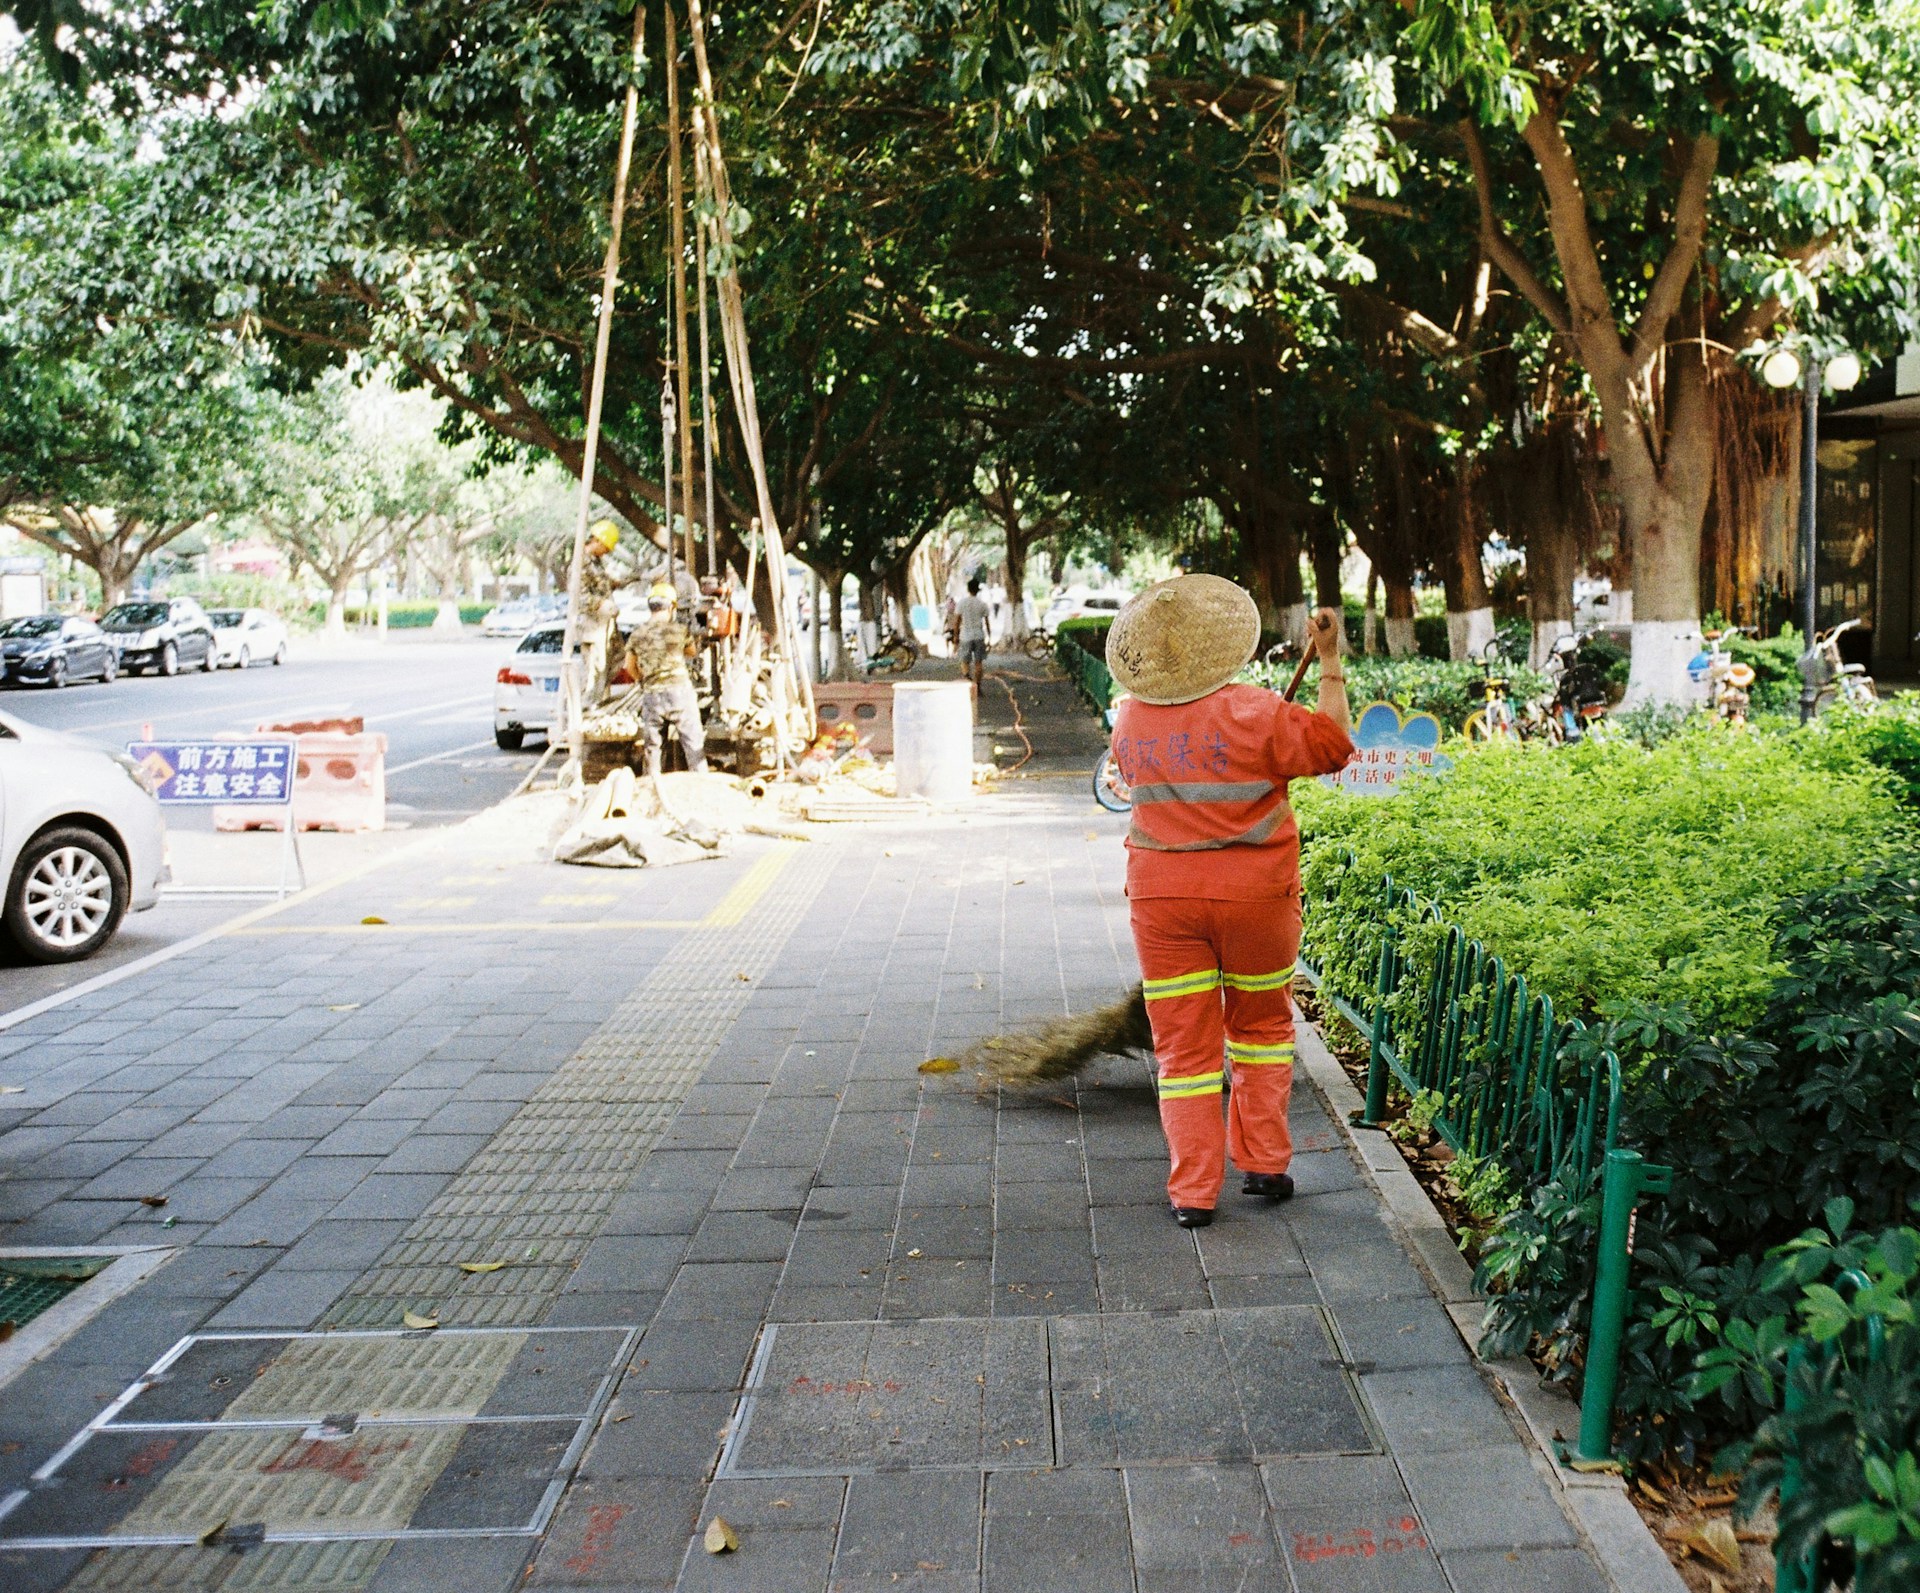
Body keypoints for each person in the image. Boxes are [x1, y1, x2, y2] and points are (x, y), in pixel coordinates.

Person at [1105, 577, 1353, 1228]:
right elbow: (1333, 748)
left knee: (1183, 1052)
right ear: (1223, 645)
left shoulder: (1129, 715)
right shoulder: (1263, 710)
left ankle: (1192, 1193)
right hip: (1257, 899)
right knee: (1263, 1027)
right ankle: (1265, 1164)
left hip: (1163, 899)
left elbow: (1133, 778)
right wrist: (1329, 661)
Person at [626, 581, 708, 774]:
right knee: (693, 744)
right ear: (671, 607)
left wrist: (643, 680)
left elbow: (629, 666)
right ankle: (702, 784)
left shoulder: (637, 634)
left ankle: (651, 786)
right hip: (679, 693)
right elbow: (692, 652)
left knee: (653, 748)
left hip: (652, 695)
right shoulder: (679, 630)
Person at [952, 577, 992, 688]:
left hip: (965, 636)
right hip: (979, 635)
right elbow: (987, 622)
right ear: (977, 590)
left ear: (968, 589)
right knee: (978, 662)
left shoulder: (961, 603)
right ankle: (978, 686)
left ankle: (967, 679)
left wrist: (955, 637)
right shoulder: (982, 604)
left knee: (964, 661)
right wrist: (989, 636)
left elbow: (957, 622)